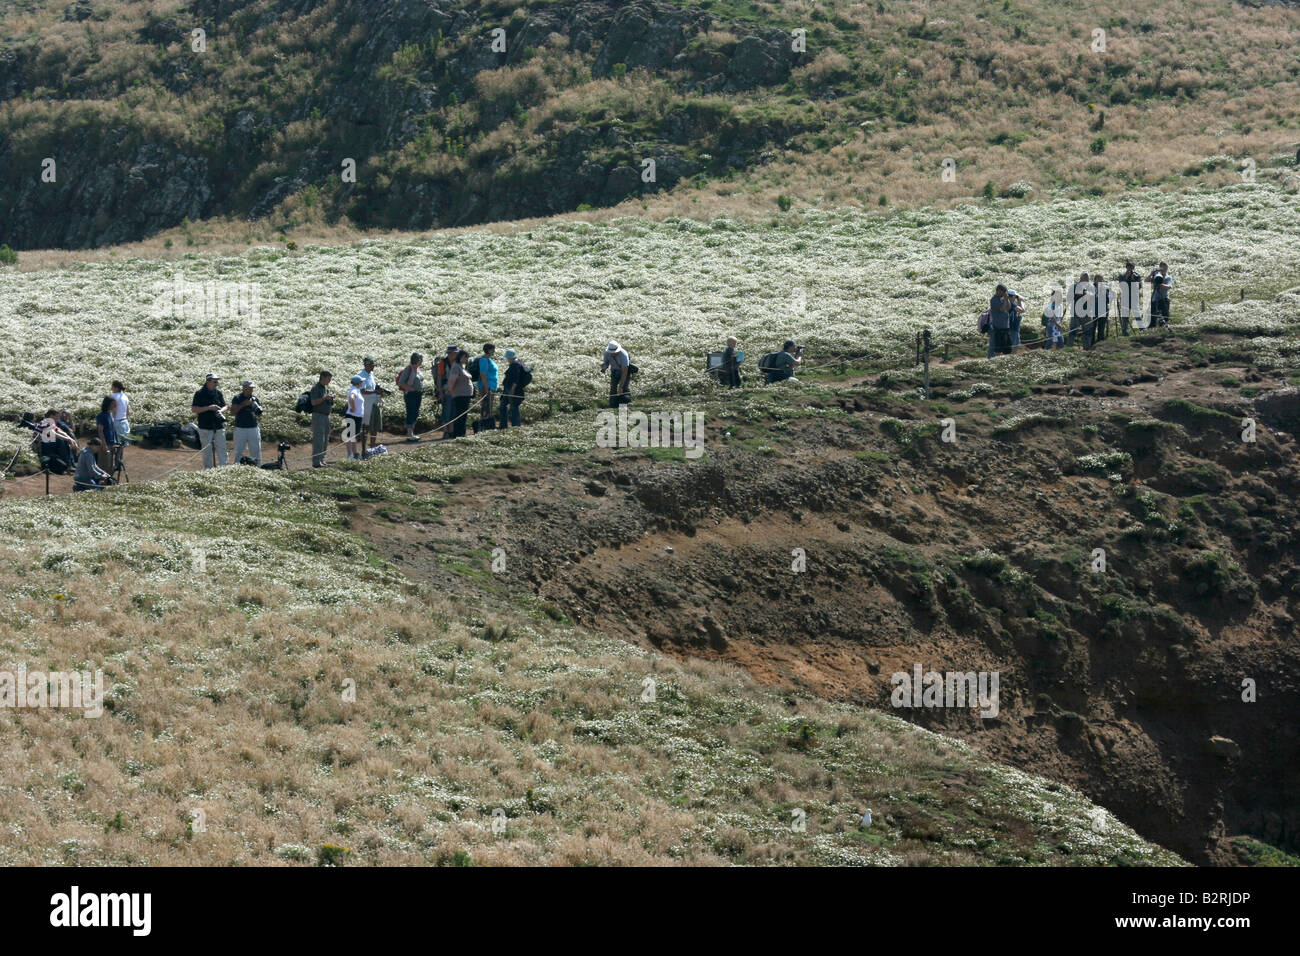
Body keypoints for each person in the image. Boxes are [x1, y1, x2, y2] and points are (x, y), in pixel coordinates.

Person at [191, 373, 228, 468]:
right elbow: (194, 409)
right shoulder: (199, 393)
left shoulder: (218, 393)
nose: (216, 383)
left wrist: (220, 411)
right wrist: (209, 408)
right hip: (205, 426)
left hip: (218, 426)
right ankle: (209, 470)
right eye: (214, 381)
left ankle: (224, 469)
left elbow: (225, 406)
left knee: (222, 449)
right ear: (208, 381)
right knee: (207, 451)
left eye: (217, 381)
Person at [357, 357, 387, 454]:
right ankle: (364, 449)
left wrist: (378, 390)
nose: (373, 366)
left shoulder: (371, 374)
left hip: (374, 403)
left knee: (375, 427)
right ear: (366, 365)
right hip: (366, 405)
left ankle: (372, 447)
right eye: (372, 364)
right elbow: (363, 391)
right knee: (366, 427)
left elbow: (371, 388)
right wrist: (375, 391)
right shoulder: (361, 376)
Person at [230, 380, 263, 466]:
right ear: (244, 388)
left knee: (256, 449)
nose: (251, 390)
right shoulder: (237, 398)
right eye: (249, 388)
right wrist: (243, 404)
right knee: (238, 450)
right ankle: (236, 466)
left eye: (252, 388)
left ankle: (258, 467)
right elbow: (233, 412)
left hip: (253, 427)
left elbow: (259, 414)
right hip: (240, 428)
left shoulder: (255, 399)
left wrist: (257, 408)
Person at [36, 408, 78, 472]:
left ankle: (70, 464)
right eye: (56, 416)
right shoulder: (45, 422)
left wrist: (70, 439)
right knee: (60, 441)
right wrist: (68, 439)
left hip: (48, 443)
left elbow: (59, 431)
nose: (58, 418)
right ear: (51, 416)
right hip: (43, 445)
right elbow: (54, 434)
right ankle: (68, 465)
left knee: (64, 441)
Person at [309, 370, 334, 467]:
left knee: (325, 439)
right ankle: (316, 461)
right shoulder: (316, 388)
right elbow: (313, 402)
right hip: (318, 416)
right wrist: (324, 398)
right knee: (319, 439)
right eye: (328, 379)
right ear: (323, 377)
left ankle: (322, 459)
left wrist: (330, 398)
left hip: (326, 416)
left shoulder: (325, 388)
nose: (329, 381)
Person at [397, 352, 424, 442]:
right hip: (410, 394)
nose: (422, 361)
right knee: (411, 412)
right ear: (416, 360)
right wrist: (410, 389)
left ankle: (412, 432)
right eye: (420, 359)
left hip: (418, 394)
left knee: (415, 412)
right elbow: (401, 382)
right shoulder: (408, 369)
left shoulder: (418, 369)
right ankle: (409, 433)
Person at [447, 349, 474, 439]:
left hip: (464, 395)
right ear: (462, 357)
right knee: (460, 415)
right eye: (466, 358)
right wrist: (450, 391)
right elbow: (452, 381)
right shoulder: (456, 367)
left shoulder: (460, 366)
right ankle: (458, 434)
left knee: (462, 415)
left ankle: (461, 433)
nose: (467, 360)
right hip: (460, 395)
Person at [498, 349, 526, 429]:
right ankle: (513, 426)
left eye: (507, 357)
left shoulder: (514, 365)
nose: (507, 359)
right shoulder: (519, 363)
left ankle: (512, 426)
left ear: (510, 357)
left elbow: (515, 379)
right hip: (513, 389)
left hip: (511, 389)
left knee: (511, 407)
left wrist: (512, 390)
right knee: (510, 406)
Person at [435, 345, 459, 438]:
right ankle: (446, 431)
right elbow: (439, 378)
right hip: (446, 390)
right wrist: (440, 392)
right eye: (456, 352)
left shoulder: (457, 362)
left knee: (453, 411)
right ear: (452, 353)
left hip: (456, 390)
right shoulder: (443, 362)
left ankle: (451, 431)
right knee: (447, 411)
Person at [474, 343, 499, 431]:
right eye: (492, 349)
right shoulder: (484, 360)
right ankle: (484, 424)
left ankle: (487, 424)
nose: (494, 351)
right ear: (488, 350)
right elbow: (483, 375)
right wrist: (486, 387)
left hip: (492, 386)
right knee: (486, 404)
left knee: (489, 405)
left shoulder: (489, 360)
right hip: (487, 386)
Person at [602, 341, 633, 407]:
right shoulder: (607, 353)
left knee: (624, 387)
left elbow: (625, 371)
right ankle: (613, 404)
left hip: (624, 372)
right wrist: (604, 367)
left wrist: (620, 386)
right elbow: (606, 362)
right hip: (614, 371)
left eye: (614, 352)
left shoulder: (624, 355)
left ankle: (627, 403)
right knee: (613, 388)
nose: (613, 354)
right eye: (611, 352)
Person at [1116, 260, 1142, 337]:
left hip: (1134, 298)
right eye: (1129, 267)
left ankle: (1142, 330)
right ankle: (1125, 334)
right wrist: (1126, 278)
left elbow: (1139, 287)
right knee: (1125, 318)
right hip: (1125, 299)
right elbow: (1122, 286)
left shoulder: (1137, 275)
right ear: (1126, 268)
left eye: (1132, 268)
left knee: (1137, 316)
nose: (1131, 269)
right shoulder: (1122, 276)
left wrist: (1134, 280)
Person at [1069, 273, 1094, 348]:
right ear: (1080, 278)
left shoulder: (1090, 286)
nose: (1086, 280)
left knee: (1088, 330)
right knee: (1073, 329)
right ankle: (1069, 347)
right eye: (1084, 278)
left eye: (1087, 279)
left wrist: (1087, 294)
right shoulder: (1074, 286)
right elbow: (1071, 296)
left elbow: (1094, 295)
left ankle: (1087, 347)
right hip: (1076, 311)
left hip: (1087, 312)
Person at [95, 395, 118, 472]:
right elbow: (100, 431)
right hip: (105, 443)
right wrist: (104, 444)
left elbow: (112, 428)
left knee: (110, 464)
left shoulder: (110, 414)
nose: (114, 406)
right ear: (108, 404)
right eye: (112, 404)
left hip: (111, 442)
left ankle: (108, 480)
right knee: (103, 463)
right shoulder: (101, 416)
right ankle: (101, 481)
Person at [344, 375, 365, 460]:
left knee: (353, 436)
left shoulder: (357, 390)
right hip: (352, 416)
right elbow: (351, 398)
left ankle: (355, 454)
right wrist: (353, 408)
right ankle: (350, 455)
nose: (362, 383)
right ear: (358, 383)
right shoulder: (354, 390)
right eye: (361, 382)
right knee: (350, 436)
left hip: (357, 416)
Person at [989, 286, 1013, 356]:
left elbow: (1009, 307)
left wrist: (1007, 299)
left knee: (1007, 348)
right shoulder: (994, 300)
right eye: (1003, 292)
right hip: (998, 327)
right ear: (998, 291)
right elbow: (1002, 309)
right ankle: (996, 361)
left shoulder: (1003, 299)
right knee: (998, 348)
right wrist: (1005, 299)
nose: (1004, 294)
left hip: (1006, 327)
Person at [1147, 261, 1173, 328]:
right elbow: (1146, 281)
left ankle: (1162, 328)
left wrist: (1160, 284)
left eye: (1165, 268)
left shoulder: (1168, 277)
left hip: (1164, 298)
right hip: (1155, 298)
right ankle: (1152, 329)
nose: (1164, 270)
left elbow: (1169, 287)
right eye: (1162, 268)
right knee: (1153, 316)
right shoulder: (1156, 276)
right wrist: (1151, 274)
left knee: (1165, 316)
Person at [1041, 286, 1065, 350]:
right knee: (1050, 340)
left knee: (1060, 341)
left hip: (1057, 324)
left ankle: (1059, 353)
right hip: (1051, 325)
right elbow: (1051, 316)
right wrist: (1057, 324)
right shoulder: (1051, 305)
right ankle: (1045, 352)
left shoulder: (1060, 305)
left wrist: (1060, 322)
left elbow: (1060, 315)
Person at [1093, 270, 1110, 341]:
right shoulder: (1091, 287)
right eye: (1098, 279)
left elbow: (1108, 300)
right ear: (1095, 280)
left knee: (1101, 328)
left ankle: (1100, 343)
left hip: (1103, 311)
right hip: (1093, 311)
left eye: (1101, 280)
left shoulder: (1105, 288)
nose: (1100, 281)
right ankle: (1091, 343)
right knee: (1092, 328)